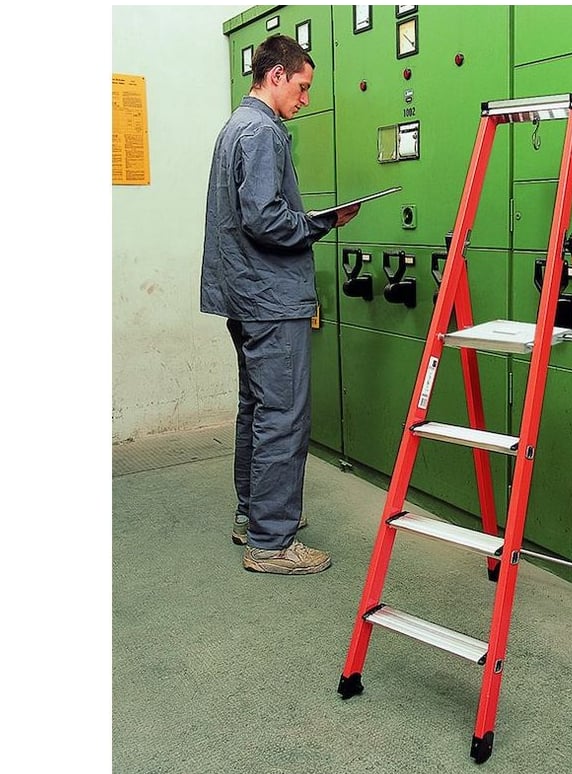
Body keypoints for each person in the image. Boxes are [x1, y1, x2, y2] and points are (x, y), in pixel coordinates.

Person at [200, 34, 360, 575]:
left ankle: (253, 517)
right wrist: (320, 223)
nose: (306, 98)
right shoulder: (264, 131)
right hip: (271, 299)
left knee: (257, 409)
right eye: (302, 86)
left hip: (243, 296)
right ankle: (272, 543)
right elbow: (264, 218)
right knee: (283, 416)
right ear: (276, 76)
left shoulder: (234, 127)